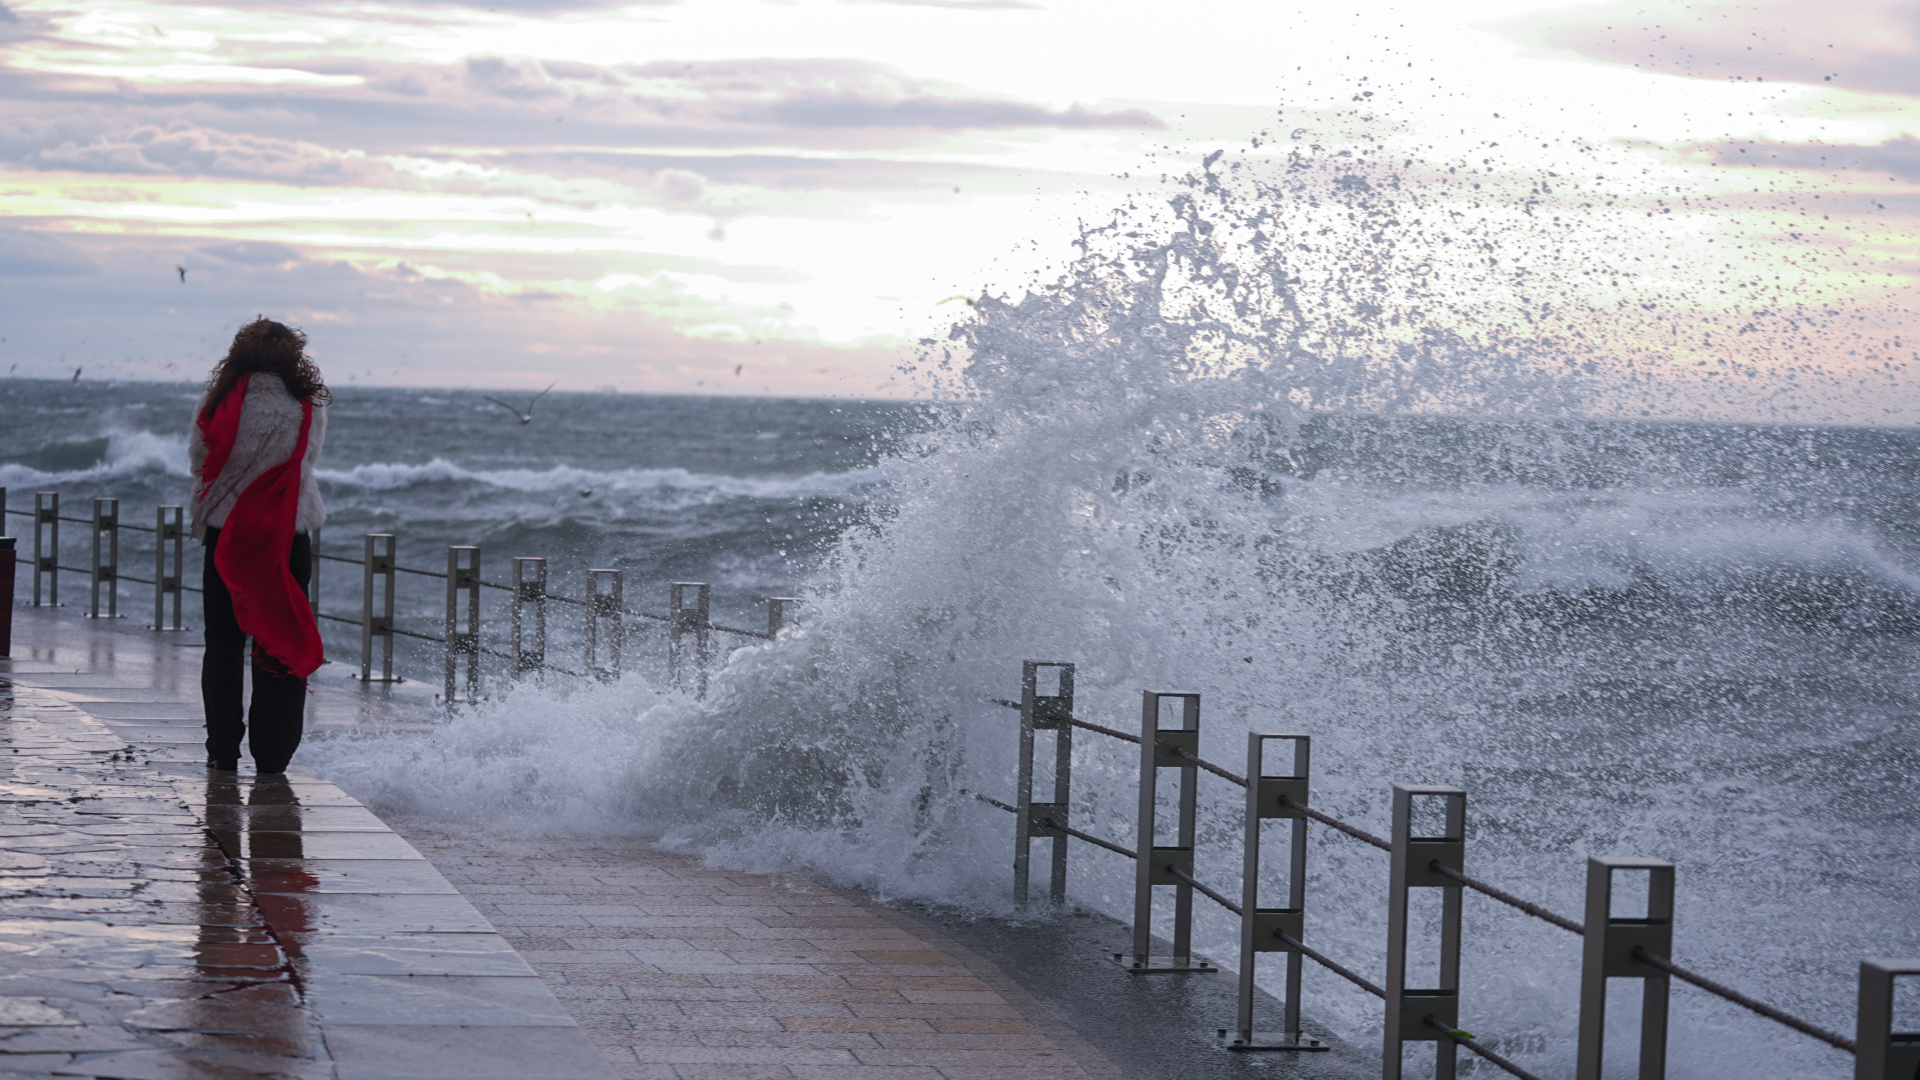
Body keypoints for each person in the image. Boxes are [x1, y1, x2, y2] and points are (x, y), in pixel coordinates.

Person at [188, 318, 329, 775]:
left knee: (223, 642)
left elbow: (199, 459)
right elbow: (308, 460)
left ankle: (223, 750)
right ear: (295, 358)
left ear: (239, 355)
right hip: (286, 536)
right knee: (277, 639)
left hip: (227, 535)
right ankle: (272, 754)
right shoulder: (306, 405)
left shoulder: (216, 401)